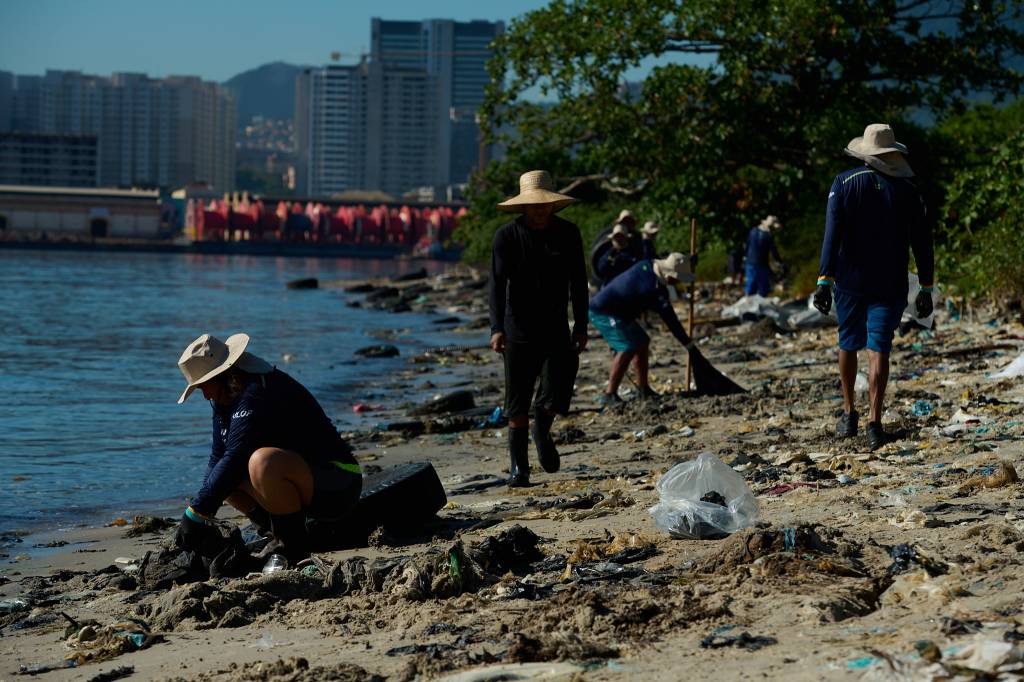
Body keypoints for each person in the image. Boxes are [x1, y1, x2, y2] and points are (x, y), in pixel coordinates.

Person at [174, 333, 361, 562]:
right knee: (222, 480)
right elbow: (218, 456)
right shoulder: (225, 397)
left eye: (205, 386)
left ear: (224, 374)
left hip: (339, 480)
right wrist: (197, 513)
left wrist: (197, 512)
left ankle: (292, 546)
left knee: (261, 462)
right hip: (303, 481)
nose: (205, 396)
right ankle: (277, 533)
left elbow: (236, 455)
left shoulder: (257, 391)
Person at [813, 123, 934, 450]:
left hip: (850, 281)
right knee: (879, 348)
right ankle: (874, 423)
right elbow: (922, 242)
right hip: (890, 284)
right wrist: (926, 286)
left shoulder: (844, 182)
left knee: (848, 343)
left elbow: (832, 234)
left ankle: (849, 412)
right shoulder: (909, 191)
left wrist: (825, 280)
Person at [489, 170, 589, 487]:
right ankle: (520, 468)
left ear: (552, 204)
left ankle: (541, 431)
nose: (539, 209)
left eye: (543, 204)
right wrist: (495, 328)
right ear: (523, 206)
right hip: (516, 328)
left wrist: (581, 325)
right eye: (533, 205)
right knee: (516, 403)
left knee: (554, 393)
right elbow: (496, 285)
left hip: (557, 327)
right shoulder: (506, 236)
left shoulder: (569, 234)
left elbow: (579, 284)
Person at [588, 253, 696, 407]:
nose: (678, 282)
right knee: (627, 346)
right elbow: (670, 320)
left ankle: (643, 389)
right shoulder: (652, 288)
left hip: (620, 313)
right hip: (603, 311)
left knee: (642, 342)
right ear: (670, 275)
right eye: (678, 278)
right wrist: (687, 343)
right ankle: (609, 394)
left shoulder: (648, 265)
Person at [589, 209, 643, 287]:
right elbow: (599, 266)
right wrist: (613, 251)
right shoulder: (607, 243)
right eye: (625, 221)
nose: (627, 224)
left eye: (629, 221)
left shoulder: (637, 240)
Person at [744, 215, 785, 296]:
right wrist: (780, 262)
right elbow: (774, 252)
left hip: (750, 263)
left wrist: (745, 257)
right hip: (762, 264)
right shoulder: (768, 236)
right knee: (763, 288)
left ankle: (747, 304)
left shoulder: (753, 231)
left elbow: (747, 246)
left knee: (750, 286)